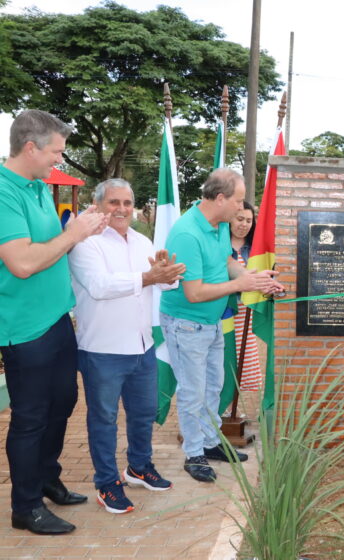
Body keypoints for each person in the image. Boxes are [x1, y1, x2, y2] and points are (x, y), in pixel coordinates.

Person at [0, 110, 109, 534]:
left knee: (63, 403)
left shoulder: (40, 187)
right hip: (25, 327)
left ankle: (46, 478)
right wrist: (74, 234)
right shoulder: (5, 191)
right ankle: (25, 506)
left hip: (56, 319)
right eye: (55, 153)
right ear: (30, 147)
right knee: (30, 416)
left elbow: (49, 245)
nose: (58, 161)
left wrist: (82, 234)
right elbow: (23, 263)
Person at [69, 178, 185, 514]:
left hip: (142, 345)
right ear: (99, 205)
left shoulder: (142, 240)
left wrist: (168, 274)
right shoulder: (85, 243)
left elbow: (160, 284)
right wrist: (150, 277)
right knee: (103, 420)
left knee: (143, 414)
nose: (121, 209)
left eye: (127, 203)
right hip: (102, 349)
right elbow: (100, 286)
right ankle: (107, 484)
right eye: (113, 202)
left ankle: (139, 467)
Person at [160, 168, 283, 483]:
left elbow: (225, 262)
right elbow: (195, 291)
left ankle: (211, 442)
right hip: (187, 324)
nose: (241, 209)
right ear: (220, 198)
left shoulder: (218, 226)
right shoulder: (188, 233)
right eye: (238, 201)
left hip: (213, 322)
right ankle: (194, 453)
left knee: (213, 386)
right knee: (192, 391)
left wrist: (250, 278)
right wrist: (241, 286)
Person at [229, 201, 262, 391]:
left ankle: (234, 409)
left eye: (249, 220)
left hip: (246, 314)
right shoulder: (220, 245)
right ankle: (222, 408)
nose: (244, 224)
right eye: (240, 219)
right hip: (225, 312)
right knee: (225, 359)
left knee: (245, 360)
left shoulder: (255, 247)